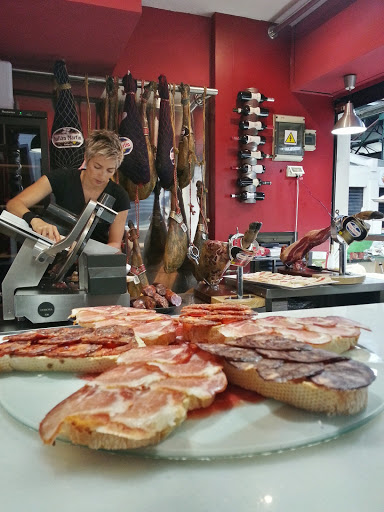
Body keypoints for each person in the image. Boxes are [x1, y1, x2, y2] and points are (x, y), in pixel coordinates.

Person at [6, 129, 130, 251]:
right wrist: (35, 220)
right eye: (97, 167)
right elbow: (14, 205)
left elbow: (115, 244)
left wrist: (84, 254)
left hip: (92, 264)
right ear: (86, 157)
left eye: (110, 170)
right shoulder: (62, 178)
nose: (102, 175)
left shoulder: (119, 195)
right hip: (52, 254)